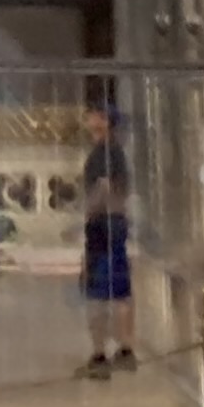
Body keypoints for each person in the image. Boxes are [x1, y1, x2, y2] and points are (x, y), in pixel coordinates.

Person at [76, 96, 132, 376]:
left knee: (96, 291)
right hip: (115, 223)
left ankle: (99, 356)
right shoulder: (115, 151)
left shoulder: (104, 153)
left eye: (94, 114)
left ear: (105, 121)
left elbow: (105, 187)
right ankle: (125, 349)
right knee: (120, 291)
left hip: (103, 224)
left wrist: (88, 213)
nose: (88, 118)